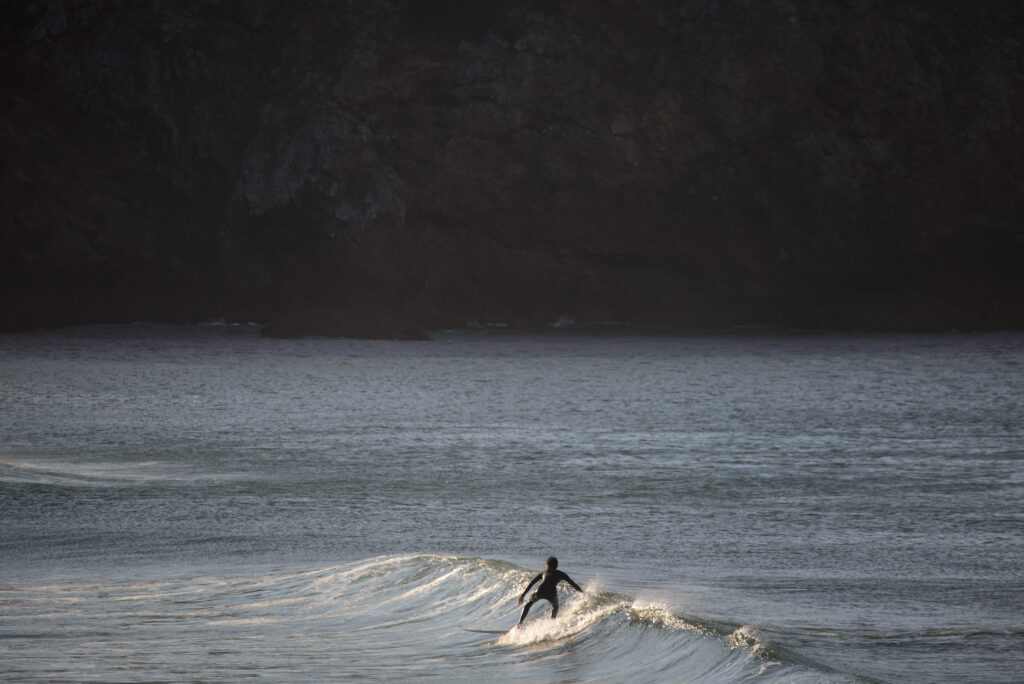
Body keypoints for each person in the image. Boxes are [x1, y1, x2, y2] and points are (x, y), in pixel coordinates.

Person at [516, 556, 583, 626]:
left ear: (547, 565)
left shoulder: (544, 572)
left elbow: (532, 583)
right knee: (555, 607)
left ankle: (519, 623)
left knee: (528, 604)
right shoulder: (561, 574)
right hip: (552, 593)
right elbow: (573, 584)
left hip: (540, 591)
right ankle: (552, 623)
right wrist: (582, 593)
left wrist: (522, 596)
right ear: (556, 566)